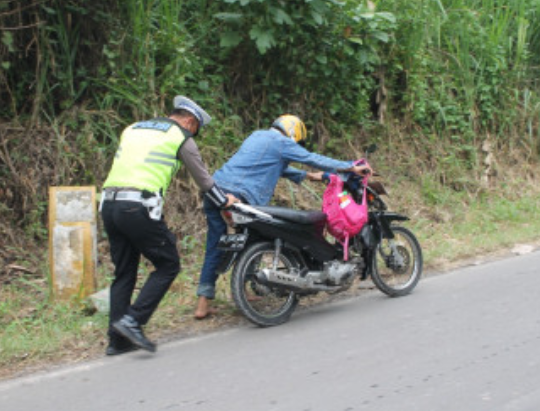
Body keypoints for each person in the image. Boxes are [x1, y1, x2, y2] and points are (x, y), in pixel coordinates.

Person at [194, 114, 370, 319]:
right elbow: (313, 158)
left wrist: (307, 176)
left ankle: (203, 303)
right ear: (293, 131)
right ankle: (245, 288)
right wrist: (350, 166)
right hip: (241, 193)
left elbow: (276, 166)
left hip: (215, 191)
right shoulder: (281, 141)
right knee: (257, 237)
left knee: (216, 244)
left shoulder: (257, 136)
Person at [101, 96, 238, 356]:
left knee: (124, 271)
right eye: (196, 128)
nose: (194, 134)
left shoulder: (133, 128)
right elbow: (204, 181)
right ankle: (133, 320)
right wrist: (225, 203)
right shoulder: (181, 137)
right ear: (189, 120)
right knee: (168, 264)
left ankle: (116, 342)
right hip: (138, 206)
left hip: (109, 204)